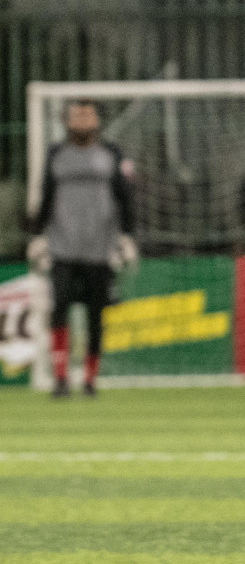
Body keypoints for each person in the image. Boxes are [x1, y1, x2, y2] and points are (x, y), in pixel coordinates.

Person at [26, 100, 136, 398]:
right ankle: (60, 378)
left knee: (96, 314)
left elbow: (125, 197)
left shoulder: (111, 154)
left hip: (100, 248)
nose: (82, 121)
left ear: (97, 120)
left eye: (88, 115)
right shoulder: (56, 154)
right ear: (68, 121)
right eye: (77, 115)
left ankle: (90, 379)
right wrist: (37, 235)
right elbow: (46, 195)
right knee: (59, 307)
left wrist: (127, 236)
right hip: (62, 247)